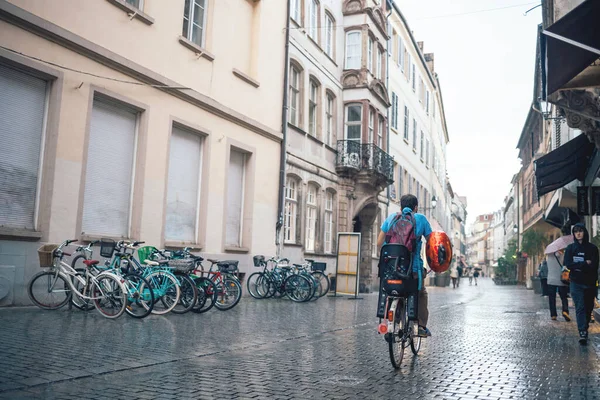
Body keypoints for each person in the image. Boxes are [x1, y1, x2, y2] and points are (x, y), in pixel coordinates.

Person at [378, 194, 432, 338]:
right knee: (421, 293)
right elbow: (431, 244)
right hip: (412, 270)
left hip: (391, 268)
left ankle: (393, 319)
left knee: (394, 291)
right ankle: (420, 326)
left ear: (401, 206)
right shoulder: (421, 219)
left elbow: (379, 243)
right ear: (416, 207)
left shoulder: (391, 218)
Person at [563, 223, 599, 345]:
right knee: (580, 307)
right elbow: (568, 264)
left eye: (580, 231)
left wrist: (579, 266)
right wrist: (584, 263)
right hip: (576, 282)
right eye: (576, 231)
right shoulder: (570, 248)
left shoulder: (593, 248)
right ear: (573, 234)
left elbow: (594, 266)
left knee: (588, 308)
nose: (578, 233)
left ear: (585, 232)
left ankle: (585, 325)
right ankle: (582, 331)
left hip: (589, 283)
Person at [546, 251, 570, 322]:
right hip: (561, 279)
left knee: (552, 298)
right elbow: (566, 266)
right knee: (564, 297)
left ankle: (553, 315)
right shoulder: (563, 255)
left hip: (551, 280)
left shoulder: (549, 256)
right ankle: (565, 311)